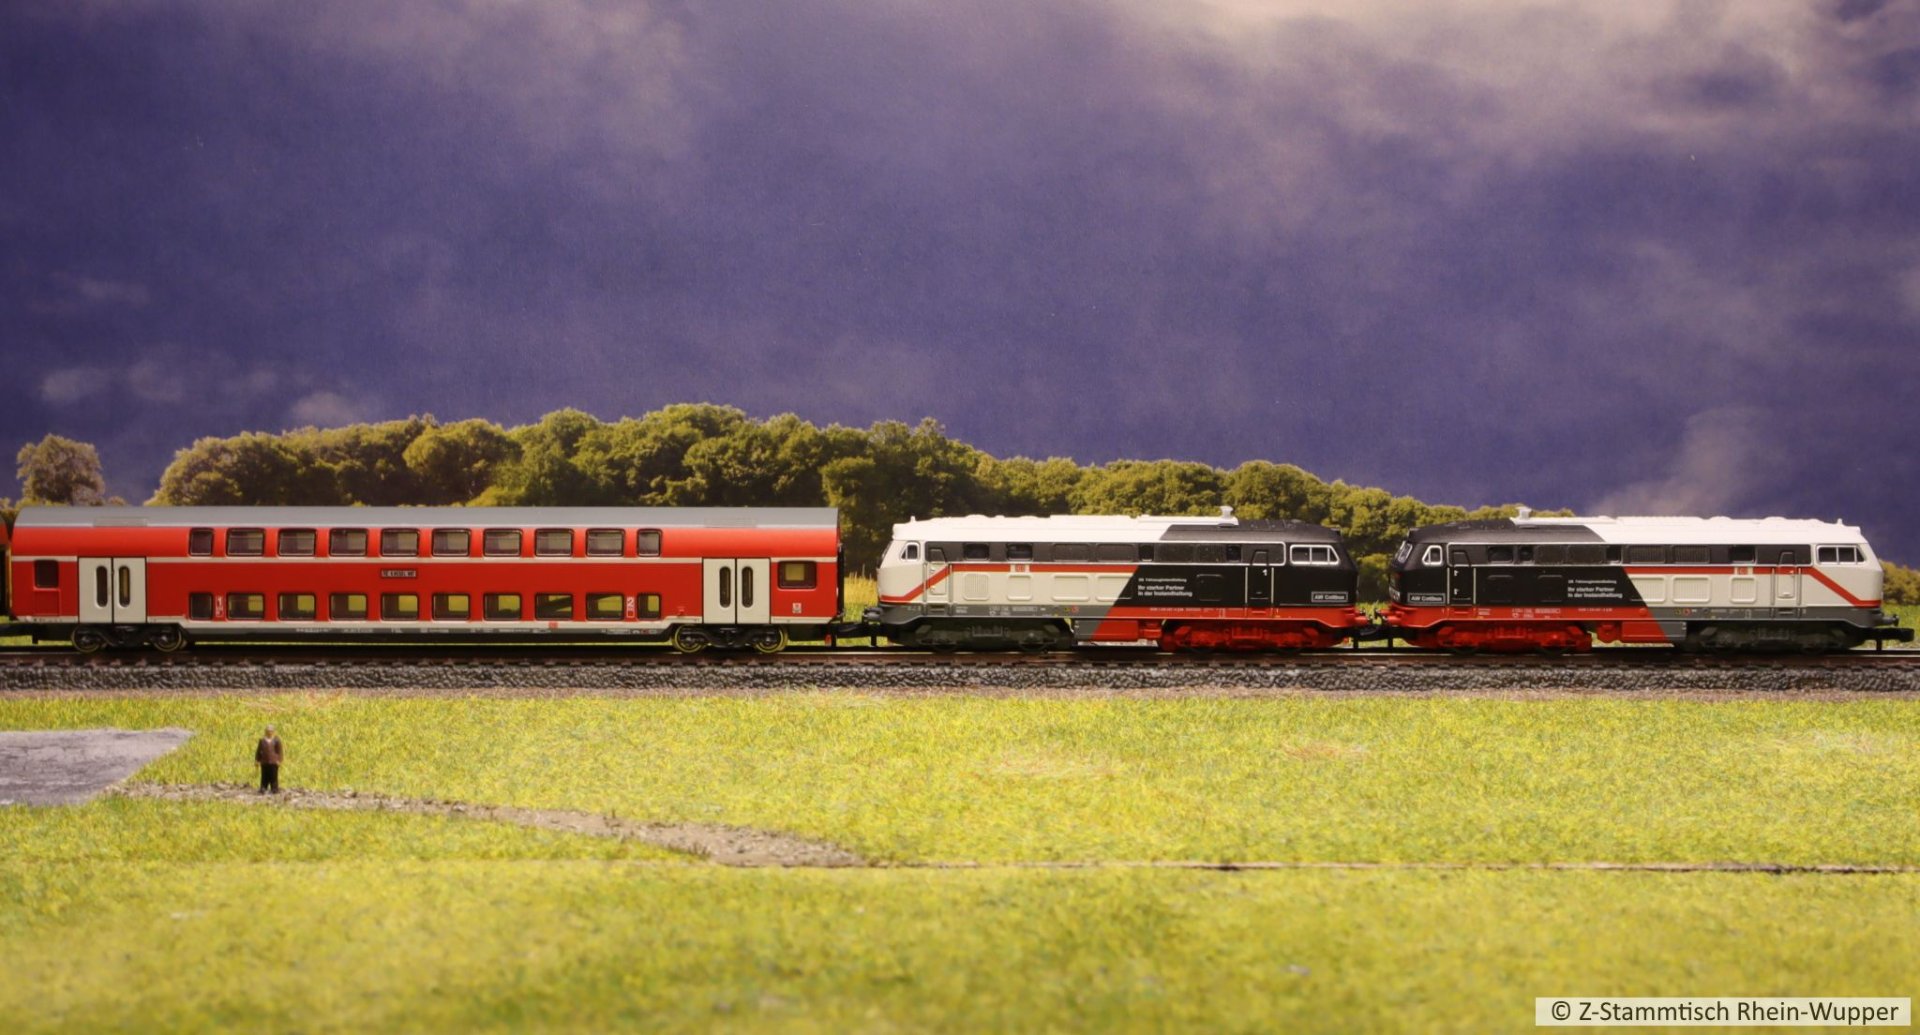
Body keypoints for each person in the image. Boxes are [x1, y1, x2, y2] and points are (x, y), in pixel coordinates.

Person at [255, 725, 284, 794]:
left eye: (270, 731)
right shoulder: (262, 740)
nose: (269, 733)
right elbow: (258, 751)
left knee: (273, 776)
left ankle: (274, 788)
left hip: (273, 762)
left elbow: (279, 751)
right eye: (268, 731)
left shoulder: (276, 740)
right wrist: (257, 760)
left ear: (273, 732)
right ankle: (263, 788)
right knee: (264, 775)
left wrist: (279, 760)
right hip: (264, 761)